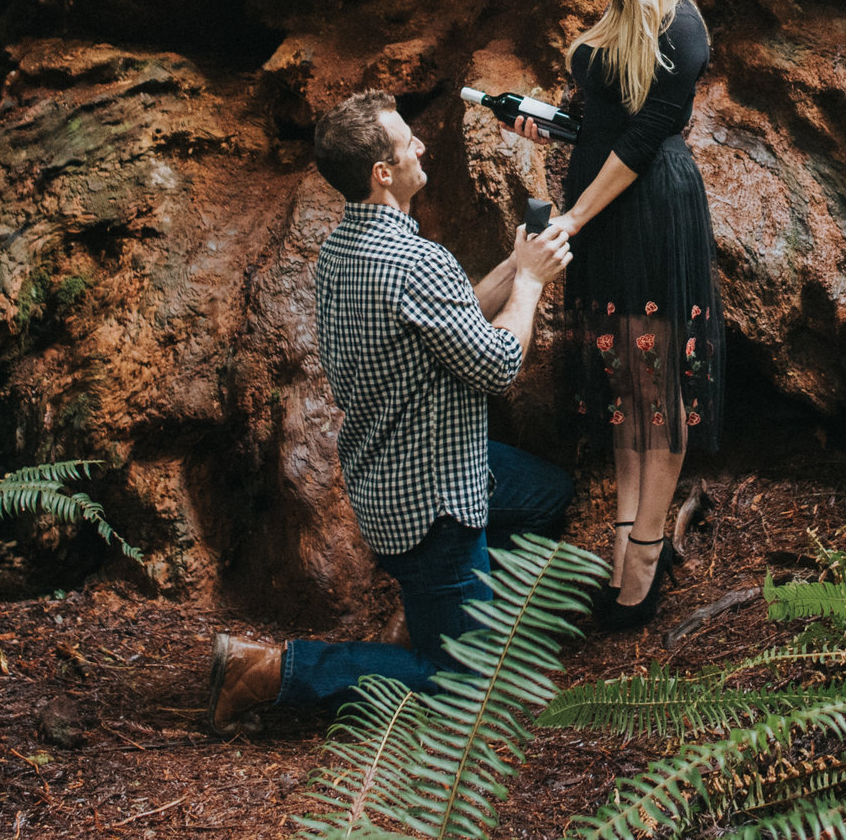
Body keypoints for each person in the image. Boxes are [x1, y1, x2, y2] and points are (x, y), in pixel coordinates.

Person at [206, 89, 575, 731]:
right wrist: (535, 284)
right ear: (384, 172)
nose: (421, 147)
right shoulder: (413, 259)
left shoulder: (345, 249)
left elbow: (448, 314)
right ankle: (272, 672)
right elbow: (495, 364)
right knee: (460, 691)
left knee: (548, 497)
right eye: (409, 144)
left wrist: (517, 265)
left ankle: (448, 616)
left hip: (397, 473)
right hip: (435, 502)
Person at [519, 0, 723, 630]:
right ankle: (626, 540)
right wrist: (553, 128)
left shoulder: (682, 26)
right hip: (604, 210)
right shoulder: (617, 21)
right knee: (623, 381)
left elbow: (641, 144)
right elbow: (606, 124)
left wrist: (573, 214)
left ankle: (642, 556)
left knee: (653, 379)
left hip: (647, 212)